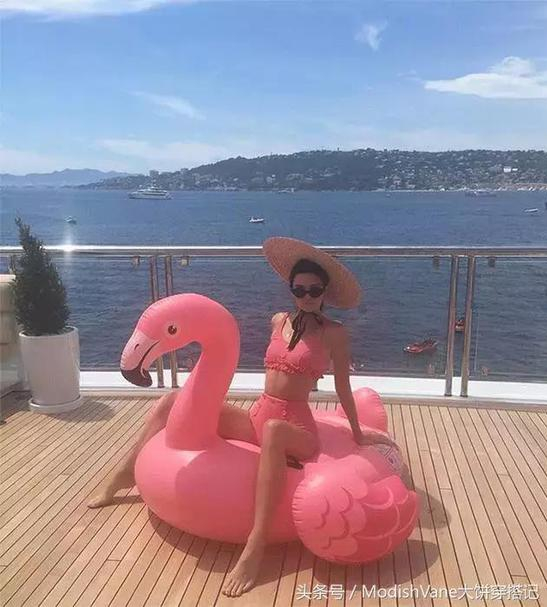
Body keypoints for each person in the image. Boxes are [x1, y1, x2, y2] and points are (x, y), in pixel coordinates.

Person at [88, 237, 403, 597]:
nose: (307, 296)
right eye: (299, 289)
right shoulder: (279, 321)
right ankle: (124, 473)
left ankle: (255, 544)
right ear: (292, 290)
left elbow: (343, 387)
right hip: (259, 415)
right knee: (171, 401)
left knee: (274, 430)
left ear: (325, 292)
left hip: (295, 429)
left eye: (315, 290)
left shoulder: (334, 334)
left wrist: (358, 433)